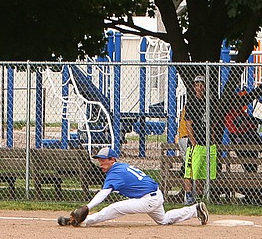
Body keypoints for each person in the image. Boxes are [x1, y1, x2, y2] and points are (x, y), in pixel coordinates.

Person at [63, 146, 209, 227]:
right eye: (99, 161)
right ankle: (195, 210)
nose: (100, 164)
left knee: (114, 208)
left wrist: (88, 207)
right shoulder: (120, 167)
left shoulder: (115, 172)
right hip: (154, 195)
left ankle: (83, 222)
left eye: (103, 160)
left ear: (112, 159)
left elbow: (103, 193)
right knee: (163, 220)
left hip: (148, 199)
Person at [183, 74, 217, 204]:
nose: (200, 87)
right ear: (194, 87)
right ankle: (189, 195)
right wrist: (193, 142)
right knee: (190, 171)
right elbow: (188, 124)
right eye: (197, 85)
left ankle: (200, 197)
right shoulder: (191, 104)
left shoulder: (209, 103)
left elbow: (212, 124)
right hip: (195, 144)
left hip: (206, 142)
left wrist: (212, 139)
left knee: (202, 173)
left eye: (202, 85)